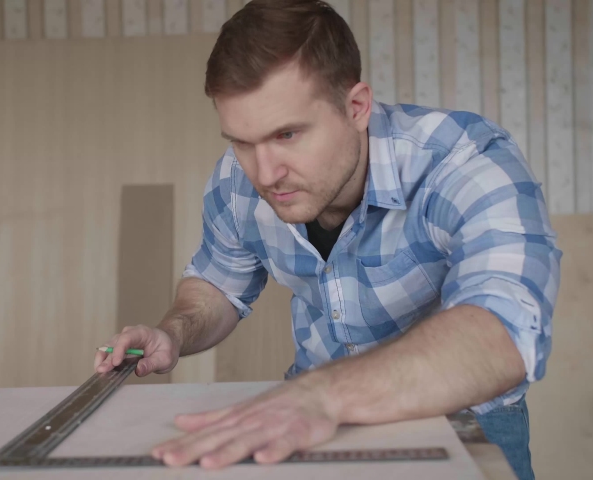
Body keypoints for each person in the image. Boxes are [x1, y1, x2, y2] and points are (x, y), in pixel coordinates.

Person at [94, 1, 560, 478]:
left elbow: (502, 334)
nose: (265, 173)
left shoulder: (463, 160)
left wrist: (322, 394)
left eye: (288, 134)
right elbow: (219, 284)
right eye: (240, 141)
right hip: (311, 420)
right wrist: (172, 333)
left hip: (463, 420)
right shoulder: (237, 179)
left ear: (356, 107)